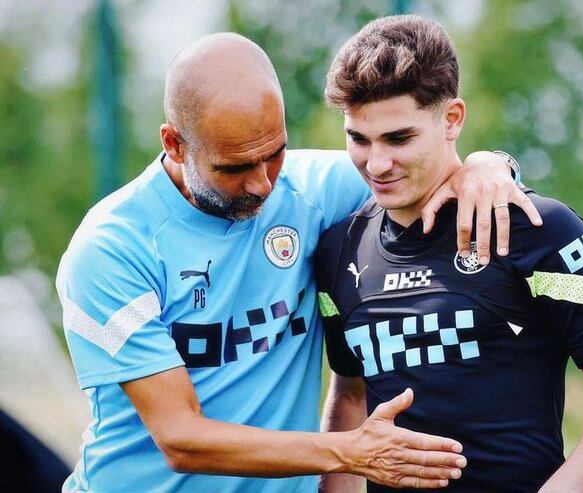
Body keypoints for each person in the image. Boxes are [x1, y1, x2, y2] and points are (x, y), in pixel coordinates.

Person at [56, 32, 539, 493]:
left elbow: (429, 171)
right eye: (235, 167)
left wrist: (490, 163)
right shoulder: (110, 249)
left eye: (275, 154)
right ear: (175, 144)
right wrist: (349, 450)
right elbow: (181, 438)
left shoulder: (314, 190)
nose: (262, 184)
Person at [316, 15, 583, 493]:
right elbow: (350, 394)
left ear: (452, 118)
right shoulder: (338, 248)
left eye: (399, 138)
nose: (376, 163)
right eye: (358, 138)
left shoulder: (539, 229)